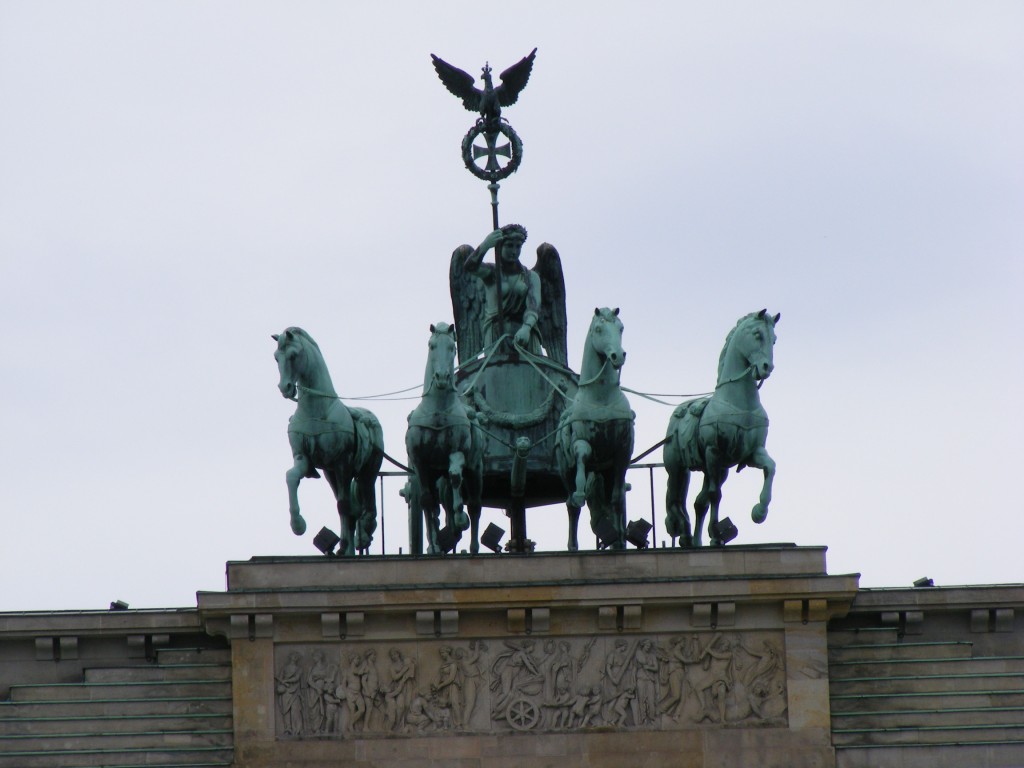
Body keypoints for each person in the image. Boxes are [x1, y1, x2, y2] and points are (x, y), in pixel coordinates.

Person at [463, 224, 543, 352]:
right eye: (509, 245)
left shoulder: (530, 277)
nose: (514, 251)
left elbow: (533, 307)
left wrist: (526, 328)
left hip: (525, 336)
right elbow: (470, 267)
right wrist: (486, 244)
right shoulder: (491, 273)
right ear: (500, 247)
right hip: (496, 336)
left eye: (518, 246)